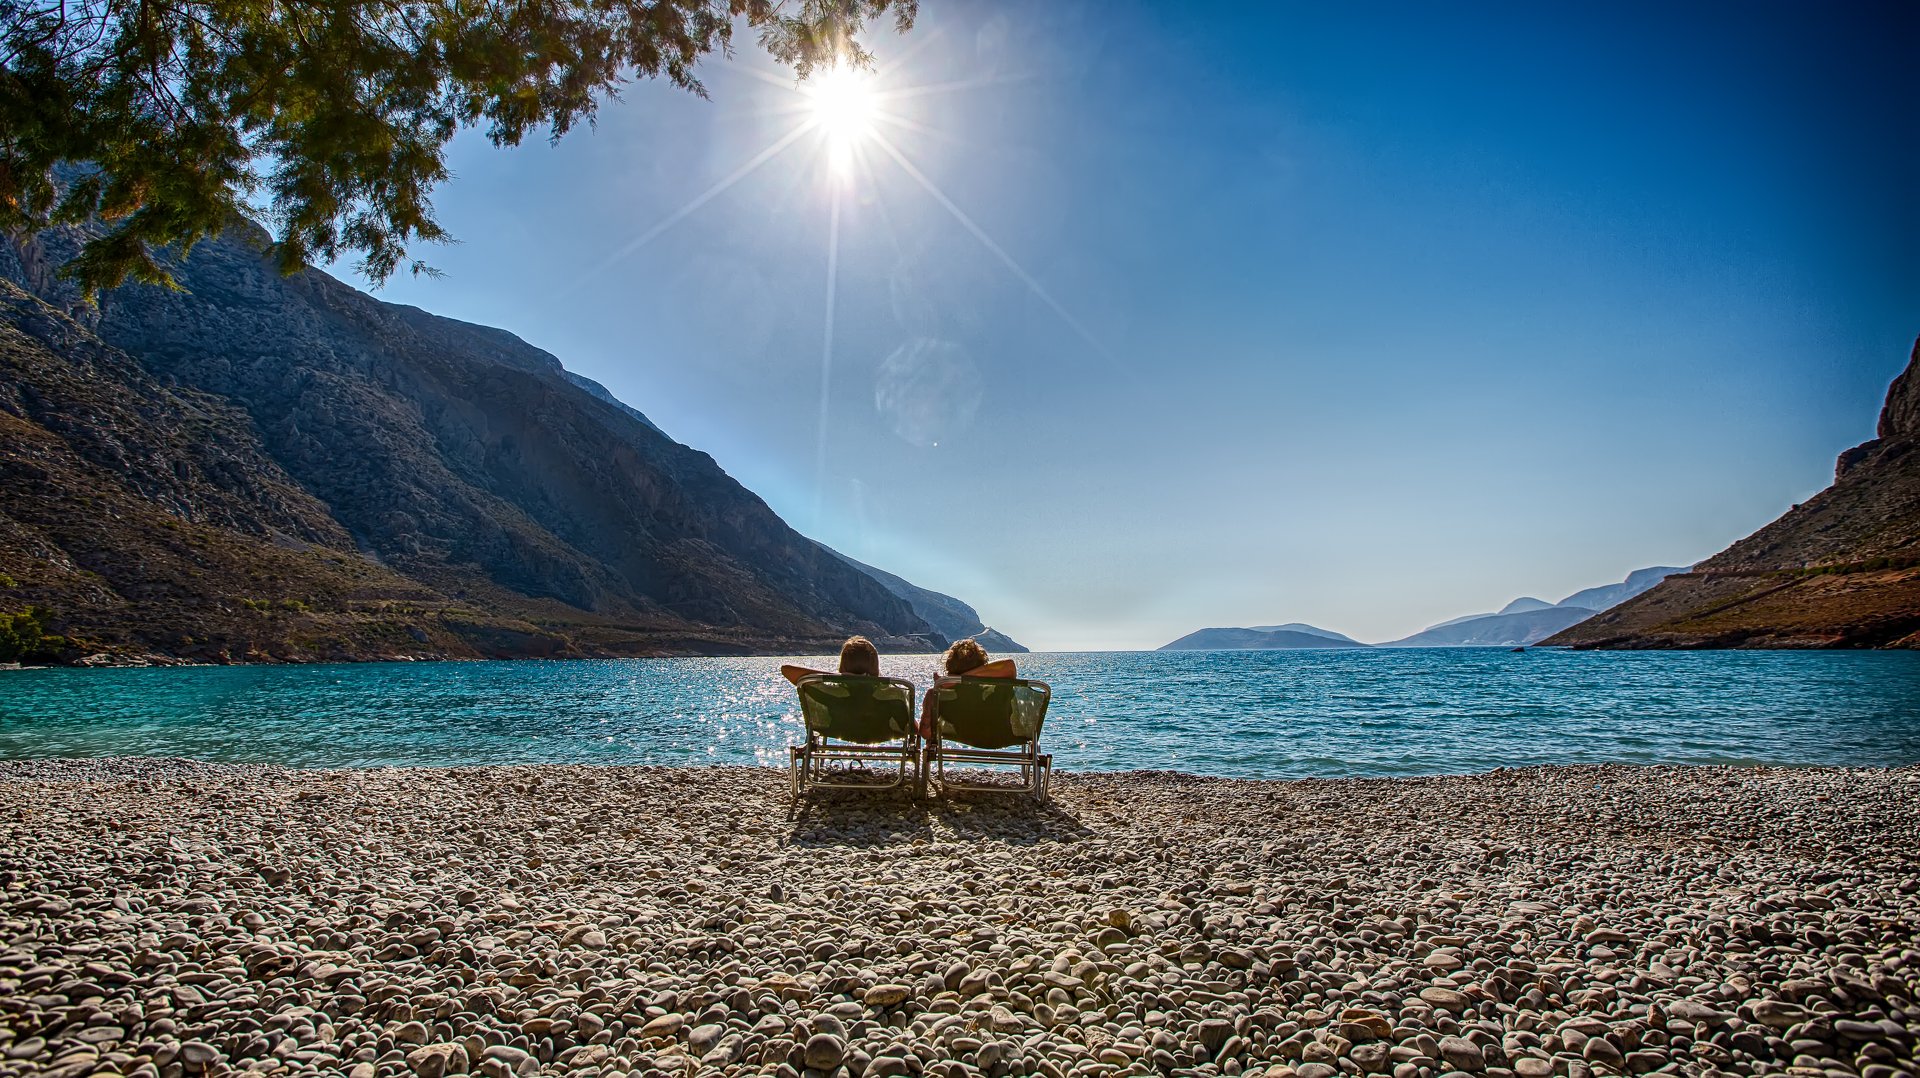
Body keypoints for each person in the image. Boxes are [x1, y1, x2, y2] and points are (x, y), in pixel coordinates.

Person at [920, 637, 1017, 737]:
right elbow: (1009, 666)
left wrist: (958, 679)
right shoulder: (997, 692)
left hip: (964, 737)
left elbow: (925, 732)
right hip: (1001, 737)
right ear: (982, 666)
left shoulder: (936, 695)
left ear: (950, 668)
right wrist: (967, 677)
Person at [781, 635, 881, 685]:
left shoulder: (830, 691)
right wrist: (862, 678)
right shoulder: (889, 692)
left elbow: (787, 670)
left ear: (843, 665)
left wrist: (837, 677)